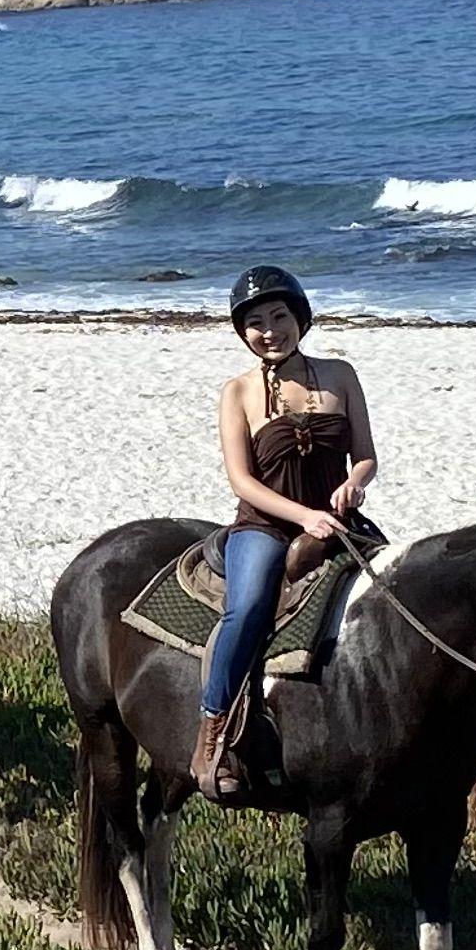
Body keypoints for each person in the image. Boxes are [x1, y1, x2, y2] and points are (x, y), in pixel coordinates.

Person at [190, 264, 378, 799]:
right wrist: (302, 517)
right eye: (255, 322)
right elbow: (241, 480)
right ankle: (213, 731)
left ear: (300, 318)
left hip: (338, 519)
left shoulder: (341, 374)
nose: (269, 330)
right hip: (265, 527)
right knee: (248, 607)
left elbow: (364, 456)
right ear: (243, 332)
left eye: (279, 316)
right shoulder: (238, 392)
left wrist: (354, 485)